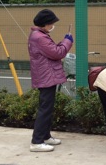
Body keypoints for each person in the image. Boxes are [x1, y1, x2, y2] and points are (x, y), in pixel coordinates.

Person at [28, 9, 74, 152]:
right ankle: (36, 142)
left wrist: (63, 42)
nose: (53, 26)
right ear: (45, 24)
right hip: (46, 77)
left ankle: (45, 136)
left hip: (46, 76)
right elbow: (57, 53)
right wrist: (67, 41)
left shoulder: (40, 35)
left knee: (47, 108)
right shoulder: (40, 37)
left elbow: (52, 50)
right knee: (45, 109)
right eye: (51, 23)